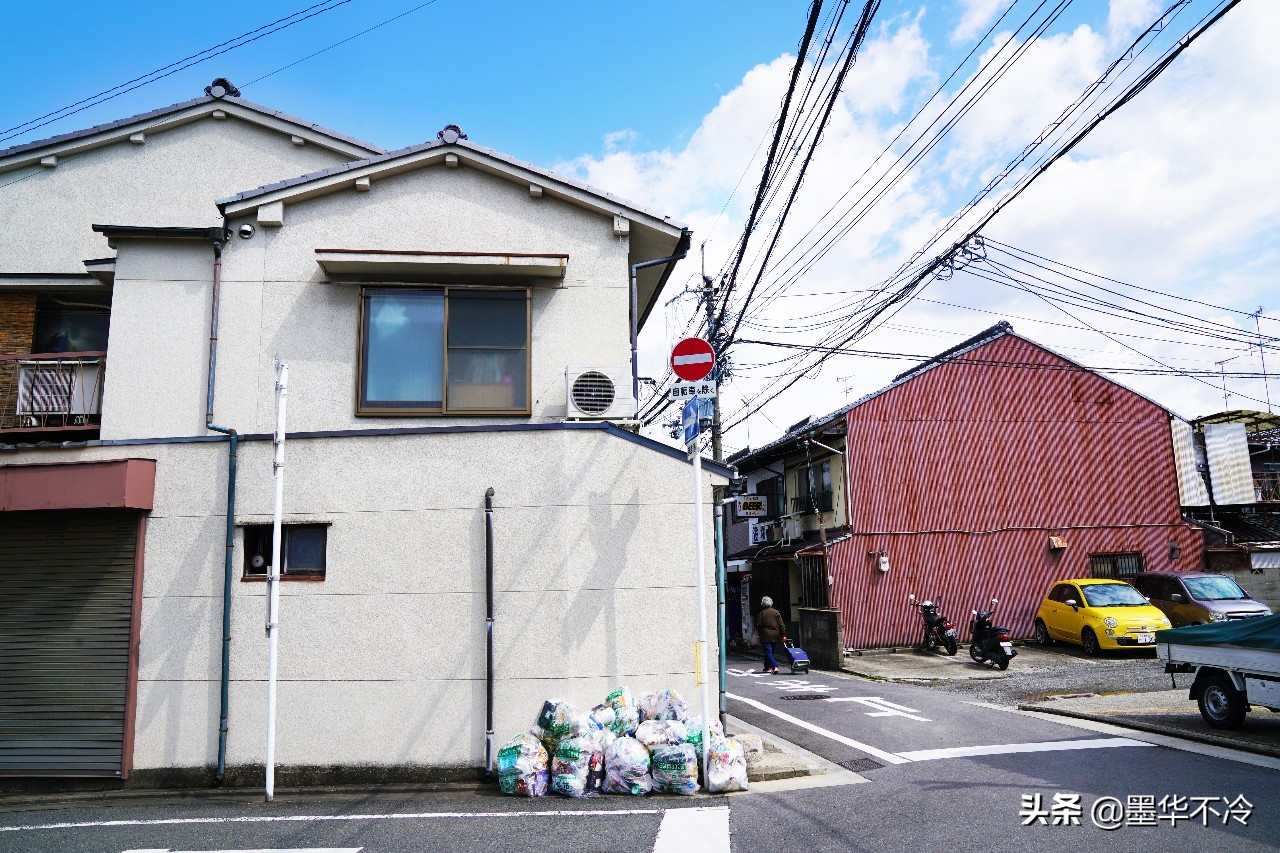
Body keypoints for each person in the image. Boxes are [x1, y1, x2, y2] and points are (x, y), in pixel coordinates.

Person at [755, 596, 786, 674]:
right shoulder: (776, 612)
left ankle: (774, 666)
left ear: (763, 604)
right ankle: (767, 667)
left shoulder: (762, 613)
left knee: (768, 651)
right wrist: (783, 634)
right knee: (770, 652)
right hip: (775, 634)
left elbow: (758, 625)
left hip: (765, 635)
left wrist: (758, 631)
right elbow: (781, 624)